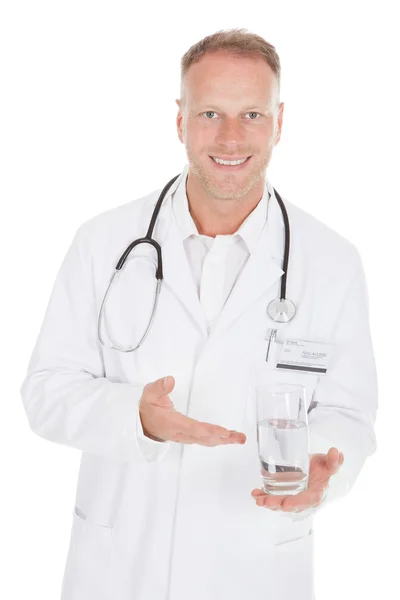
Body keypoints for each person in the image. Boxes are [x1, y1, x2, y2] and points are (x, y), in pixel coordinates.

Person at [20, 28, 378, 600]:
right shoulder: (103, 242)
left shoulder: (332, 261)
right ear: (179, 119)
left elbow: (350, 416)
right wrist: (134, 416)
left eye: (253, 114)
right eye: (210, 111)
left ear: (280, 122)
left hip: (256, 566)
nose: (231, 136)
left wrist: (319, 469)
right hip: (121, 568)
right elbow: (45, 390)